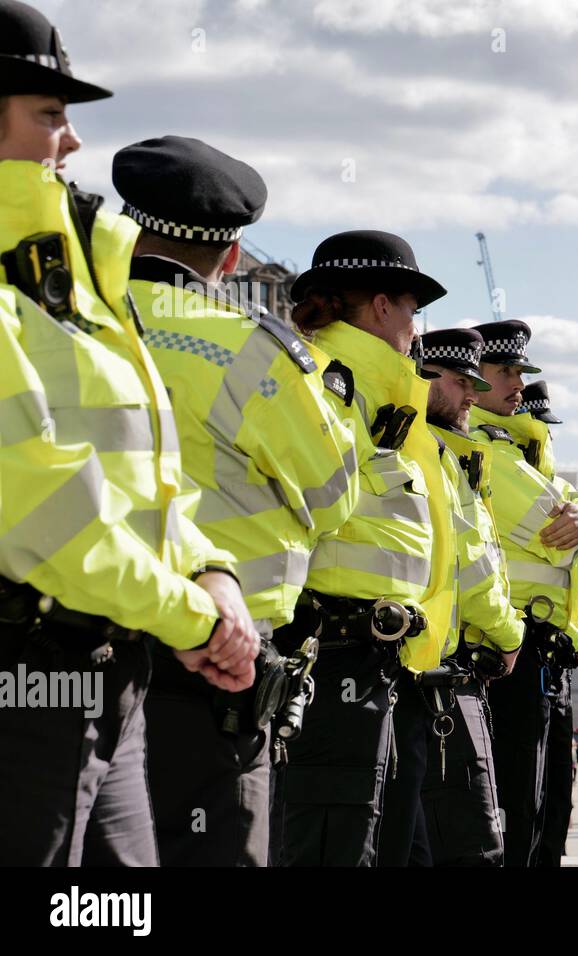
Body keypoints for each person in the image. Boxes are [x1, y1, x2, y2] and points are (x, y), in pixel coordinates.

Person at [0, 0, 260, 866]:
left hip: (111, 672)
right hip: (29, 681)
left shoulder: (72, 275)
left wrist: (211, 572)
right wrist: (198, 622)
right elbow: (41, 509)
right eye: (50, 114)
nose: (70, 142)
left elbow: (142, 477)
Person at [113, 136, 361, 867]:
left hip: (79, 645)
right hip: (219, 659)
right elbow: (334, 496)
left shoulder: (74, 321)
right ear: (229, 257)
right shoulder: (252, 351)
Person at [278, 230, 441, 866]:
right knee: (334, 841)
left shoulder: (388, 396)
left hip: (377, 655)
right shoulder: (334, 383)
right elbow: (312, 506)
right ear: (379, 306)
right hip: (334, 649)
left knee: (374, 837)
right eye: (411, 309)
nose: (415, 328)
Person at [378, 326, 524, 867]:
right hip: (440, 672)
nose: (472, 392)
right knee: (471, 842)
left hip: (417, 671)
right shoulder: (435, 453)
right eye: (461, 381)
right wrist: (511, 634)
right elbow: (475, 565)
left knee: (415, 841)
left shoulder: (443, 450)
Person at [468, 320, 578, 866]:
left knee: (550, 809)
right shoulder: (478, 448)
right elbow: (559, 541)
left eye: (520, 372)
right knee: (513, 810)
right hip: (508, 650)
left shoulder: (527, 455)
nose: (518, 384)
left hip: (549, 653)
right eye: (503, 371)